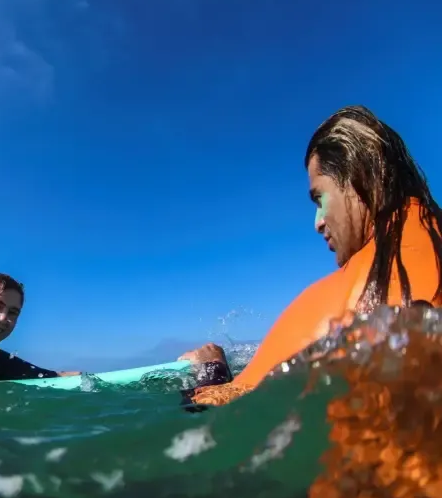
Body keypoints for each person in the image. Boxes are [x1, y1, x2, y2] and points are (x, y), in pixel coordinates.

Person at [180, 105, 442, 407]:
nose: (318, 222)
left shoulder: (343, 302)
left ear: (359, 178)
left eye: (320, 197)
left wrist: (211, 370)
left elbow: (214, 418)